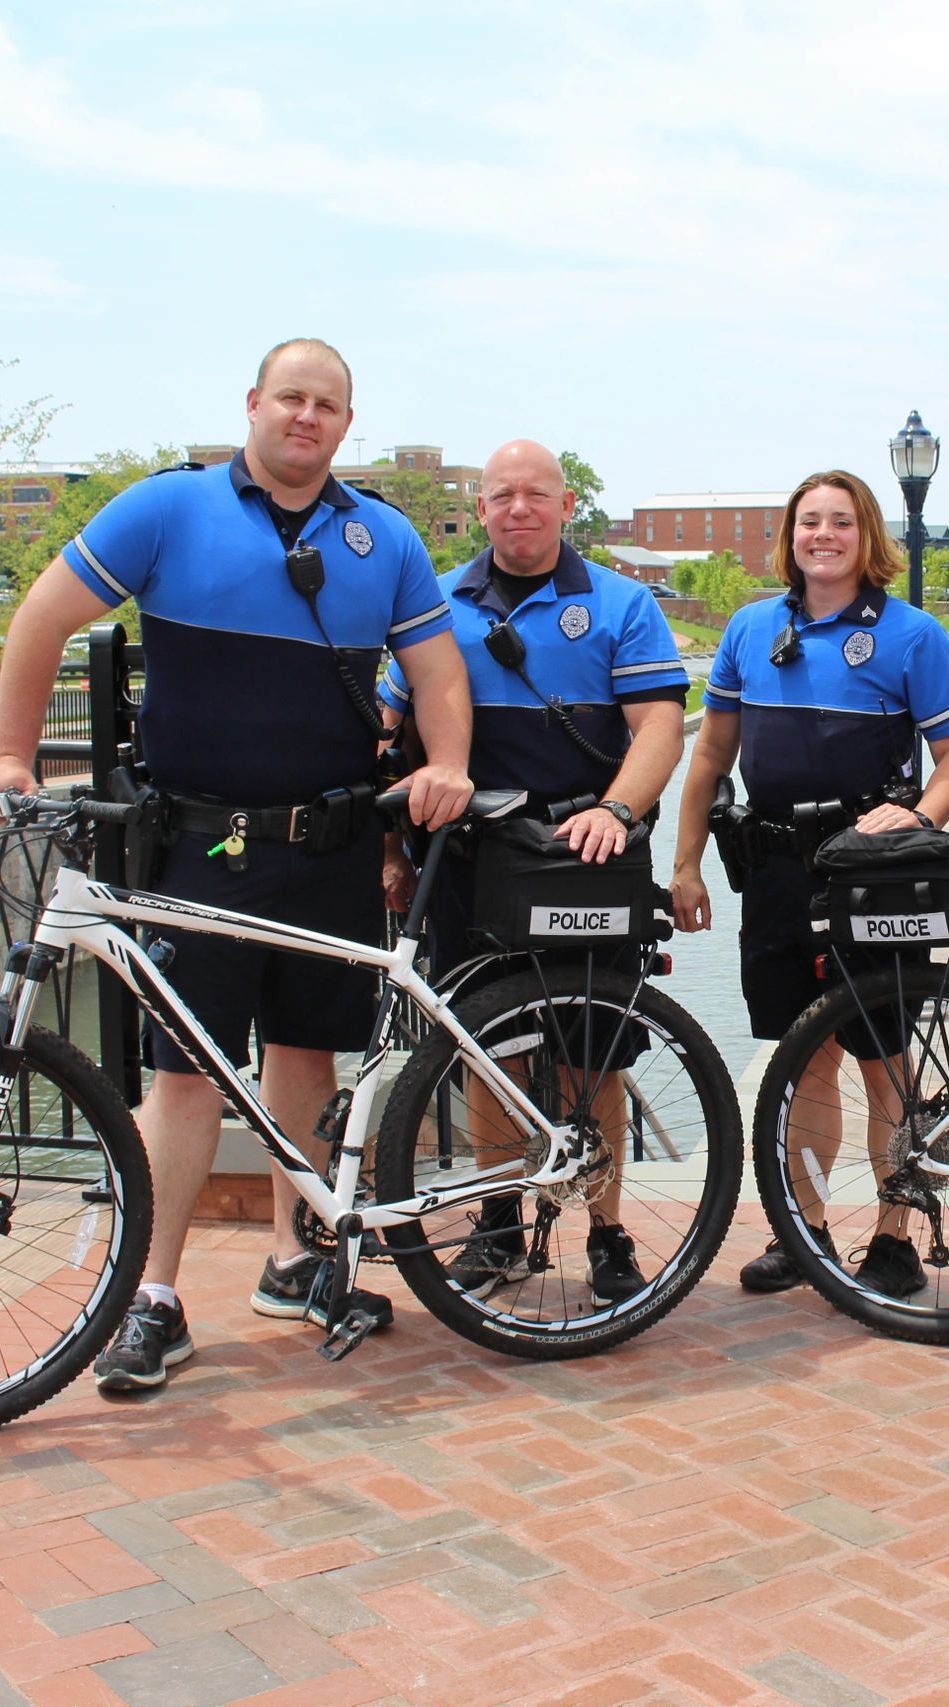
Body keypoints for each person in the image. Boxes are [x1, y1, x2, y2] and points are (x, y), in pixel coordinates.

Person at [0, 338, 474, 1393]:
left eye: (327, 404)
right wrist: (12, 755)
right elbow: (43, 619)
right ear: (253, 403)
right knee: (184, 1073)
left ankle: (295, 1261)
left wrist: (449, 764)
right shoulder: (168, 508)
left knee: (306, 1053)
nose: (307, 416)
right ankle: (152, 1293)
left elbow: (435, 671)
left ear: (346, 424)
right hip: (200, 844)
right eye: (291, 397)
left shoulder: (382, 537)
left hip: (330, 844)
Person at [375, 439, 689, 1306]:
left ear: (566, 505)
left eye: (537, 494)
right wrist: (390, 851)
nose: (520, 508)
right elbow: (386, 733)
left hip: (588, 858)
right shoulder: (431, 604)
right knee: (489, 1052)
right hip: (471, 864)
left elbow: (661, 726)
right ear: (480, 507)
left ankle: (607, 1231)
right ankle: (499, 1222)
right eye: (502, 494)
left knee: (596, 1057)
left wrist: (616, 811)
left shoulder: (623, 603)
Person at [668, 470, 949, 1295]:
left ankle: (894, 1236)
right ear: (790, 536)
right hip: (775, 874)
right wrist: (686, 862)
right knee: (805, 1058)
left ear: (866, 534)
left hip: (872, 878)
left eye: (841, 521)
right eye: (810, 521)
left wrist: (920, 817)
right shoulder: (750, 628)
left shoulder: (912, 635)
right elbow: (710, 753)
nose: (824, 535)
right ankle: (804, 1235)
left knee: (885, 1060)